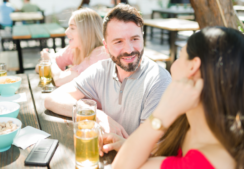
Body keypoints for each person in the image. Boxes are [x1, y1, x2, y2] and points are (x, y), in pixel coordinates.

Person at [101, 27, 242, 169]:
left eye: (180, 57)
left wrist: (162, 113)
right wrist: (126, 146)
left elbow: (121, 167)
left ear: (193, 67)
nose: (173, 66)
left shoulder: (201, 164)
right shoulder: (189, 125)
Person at [44, 4, 171, 138]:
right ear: (106, 46)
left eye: (135, 39)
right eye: (118, 42)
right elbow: (52, 99)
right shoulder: (101, 70)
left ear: (142, 37)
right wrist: (97, 115)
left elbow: (152, 145)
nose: (129, 49)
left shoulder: (158, 79)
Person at [35, 8, 109, 87]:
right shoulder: (75, 49)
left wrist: (50, 61)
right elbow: (38, 68)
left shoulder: (100, 54)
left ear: (87, 32)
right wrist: (48, 60)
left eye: (72, 28)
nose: (66, 32)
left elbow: (60, 81)